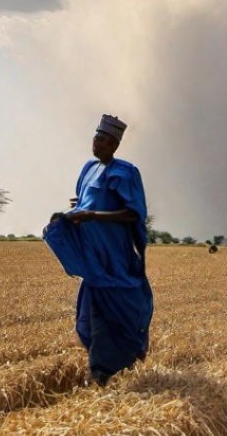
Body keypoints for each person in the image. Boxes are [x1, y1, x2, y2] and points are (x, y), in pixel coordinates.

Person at [43, 114, 153, 386]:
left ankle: (102, 371)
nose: (97, 143)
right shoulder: (89, 168)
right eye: (96, 137)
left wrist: (94, 214)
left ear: (114, 144)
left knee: (115, 309)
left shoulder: (125, 172)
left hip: (114, 255)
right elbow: (87, 198)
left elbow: (132, 214)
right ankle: (103, 367)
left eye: (104, 140)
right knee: (93, 310)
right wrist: (81, 206)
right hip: (94, 255)